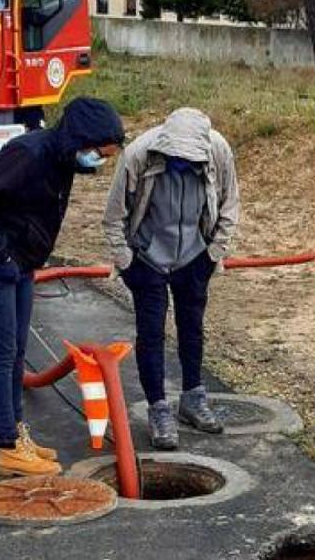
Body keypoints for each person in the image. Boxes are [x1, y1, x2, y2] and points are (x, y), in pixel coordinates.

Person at [0, 98, 125, 477]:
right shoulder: (29, 153)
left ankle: (18, 432)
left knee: (18, 351)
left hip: (21, 263)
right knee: (0, 354)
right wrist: (1, 257)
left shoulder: (63, 159)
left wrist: (26, 257)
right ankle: (8, 448)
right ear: (83, 139)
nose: (98, 161)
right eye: (99, 154)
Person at [101, 108, 240, 450]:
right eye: (175, 158)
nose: (181, 163)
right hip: (147, 257)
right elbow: (113, 216)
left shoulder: (218, 151)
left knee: (192, 326)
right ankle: (158, 408)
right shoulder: (138, 155)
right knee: (151, 332)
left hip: (194, 255)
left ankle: (193, 397)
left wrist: (213, 254)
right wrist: (127, 262)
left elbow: (230, 205)